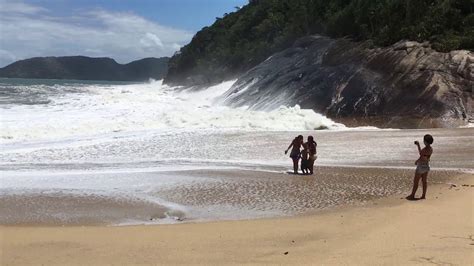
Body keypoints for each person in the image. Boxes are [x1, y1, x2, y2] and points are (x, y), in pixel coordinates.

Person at [406, 134, 434, 200]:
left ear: (426, 142)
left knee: (416, 181)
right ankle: (423, 195)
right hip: (426, 166)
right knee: (424, 181)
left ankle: (412, 195)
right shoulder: (431, 149)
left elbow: (421, 155)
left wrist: (417, 161)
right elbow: (425, 156)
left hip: (421, 166)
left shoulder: (425, 149)